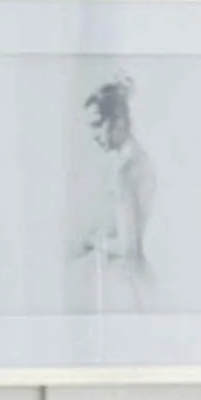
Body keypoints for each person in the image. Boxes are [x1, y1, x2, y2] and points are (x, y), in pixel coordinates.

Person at [72, 74, 157, 312]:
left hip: (125, 283)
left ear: (119, 121)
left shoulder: (126, 170)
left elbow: (127, 247)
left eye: (98, 124)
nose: (94, 135)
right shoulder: (135, 160)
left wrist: (90, 242)